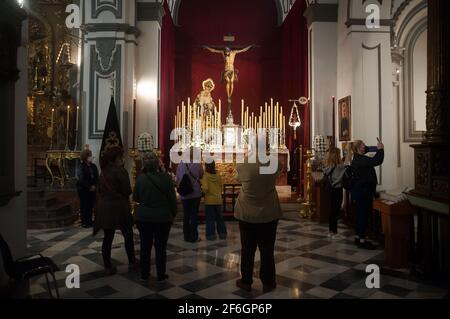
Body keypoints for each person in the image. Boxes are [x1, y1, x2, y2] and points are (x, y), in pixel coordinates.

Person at [234, 144, 282, 293]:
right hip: (268, 212)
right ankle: (268, 282)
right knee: (267, 249)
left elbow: (237, 179)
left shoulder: (244, 165)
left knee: (247, 249)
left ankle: (246, 281)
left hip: (247, 212)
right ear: (266, 149)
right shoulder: (274, 163)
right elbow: (279, 173)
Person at [133, 152, 177, 282]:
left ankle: (144, 274)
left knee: (145, 246)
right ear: (157, 163)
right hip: (163, 218)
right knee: (161, 247)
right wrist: (172, 214)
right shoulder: (166, 178)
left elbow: (136, 198)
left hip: (144, 217)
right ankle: (160, 274)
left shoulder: (141, 179)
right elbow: (172, 200)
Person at [95, 146, 137, 275]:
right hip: (120, 207)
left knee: (108, 237)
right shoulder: (120, 171)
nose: (123, 159)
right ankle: (132, 261)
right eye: (122, 156)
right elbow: (127, 190)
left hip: (106, 207)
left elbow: (99, 189)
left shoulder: (103, 172)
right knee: (128, 235)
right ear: (117, 158)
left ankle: (107, 266)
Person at [350, 139, 384, 249]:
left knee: (360, 215)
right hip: (364, 192)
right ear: (359, 148)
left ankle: (358, 237)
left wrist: (377, 146)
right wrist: (381, 149)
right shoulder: (361, 159)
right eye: (363, 144)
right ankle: (362, 240)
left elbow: (369, 149)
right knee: (363, 216)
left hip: (361, 191)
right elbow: (377, 161)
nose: (365, 146)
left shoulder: (358, 157)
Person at [176, 149, 204, 243]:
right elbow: (201, 175)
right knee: (194, 215)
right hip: (195, 193)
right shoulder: (197, 164)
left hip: (185, 194)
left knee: (186, 215)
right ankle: (194, 237)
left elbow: (178, 177)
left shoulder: (181, 164)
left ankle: (186, 236)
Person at [323, 147, 345, 239]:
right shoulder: (339, 166)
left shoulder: (328, 165)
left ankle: (331, 231)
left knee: (332, 211)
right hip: (337, 189)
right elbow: (339, 178)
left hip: (330, 189)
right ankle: (335, 232)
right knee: (335, 211)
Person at [201, 160, 227, 241]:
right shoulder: (218, 174)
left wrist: (202, 191)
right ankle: (222, 234)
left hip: (209, 200)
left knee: (210, 219)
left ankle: (211, 235)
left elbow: (205, 188)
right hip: (218, 199)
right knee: (220, 218)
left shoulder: (205, 175)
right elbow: (221, 186)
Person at [76, 148, 98, 228]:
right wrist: (89, 186)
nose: (91, 157)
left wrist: (95, 186)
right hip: (83, 189)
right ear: (85, 157)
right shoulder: (81, 166)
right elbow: (81, 178)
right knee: (84, 205)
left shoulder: (93, 166)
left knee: (90, 205)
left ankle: (89, 220)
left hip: (93, 189)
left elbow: (96, 177)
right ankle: (84, 221)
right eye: (90, 156)